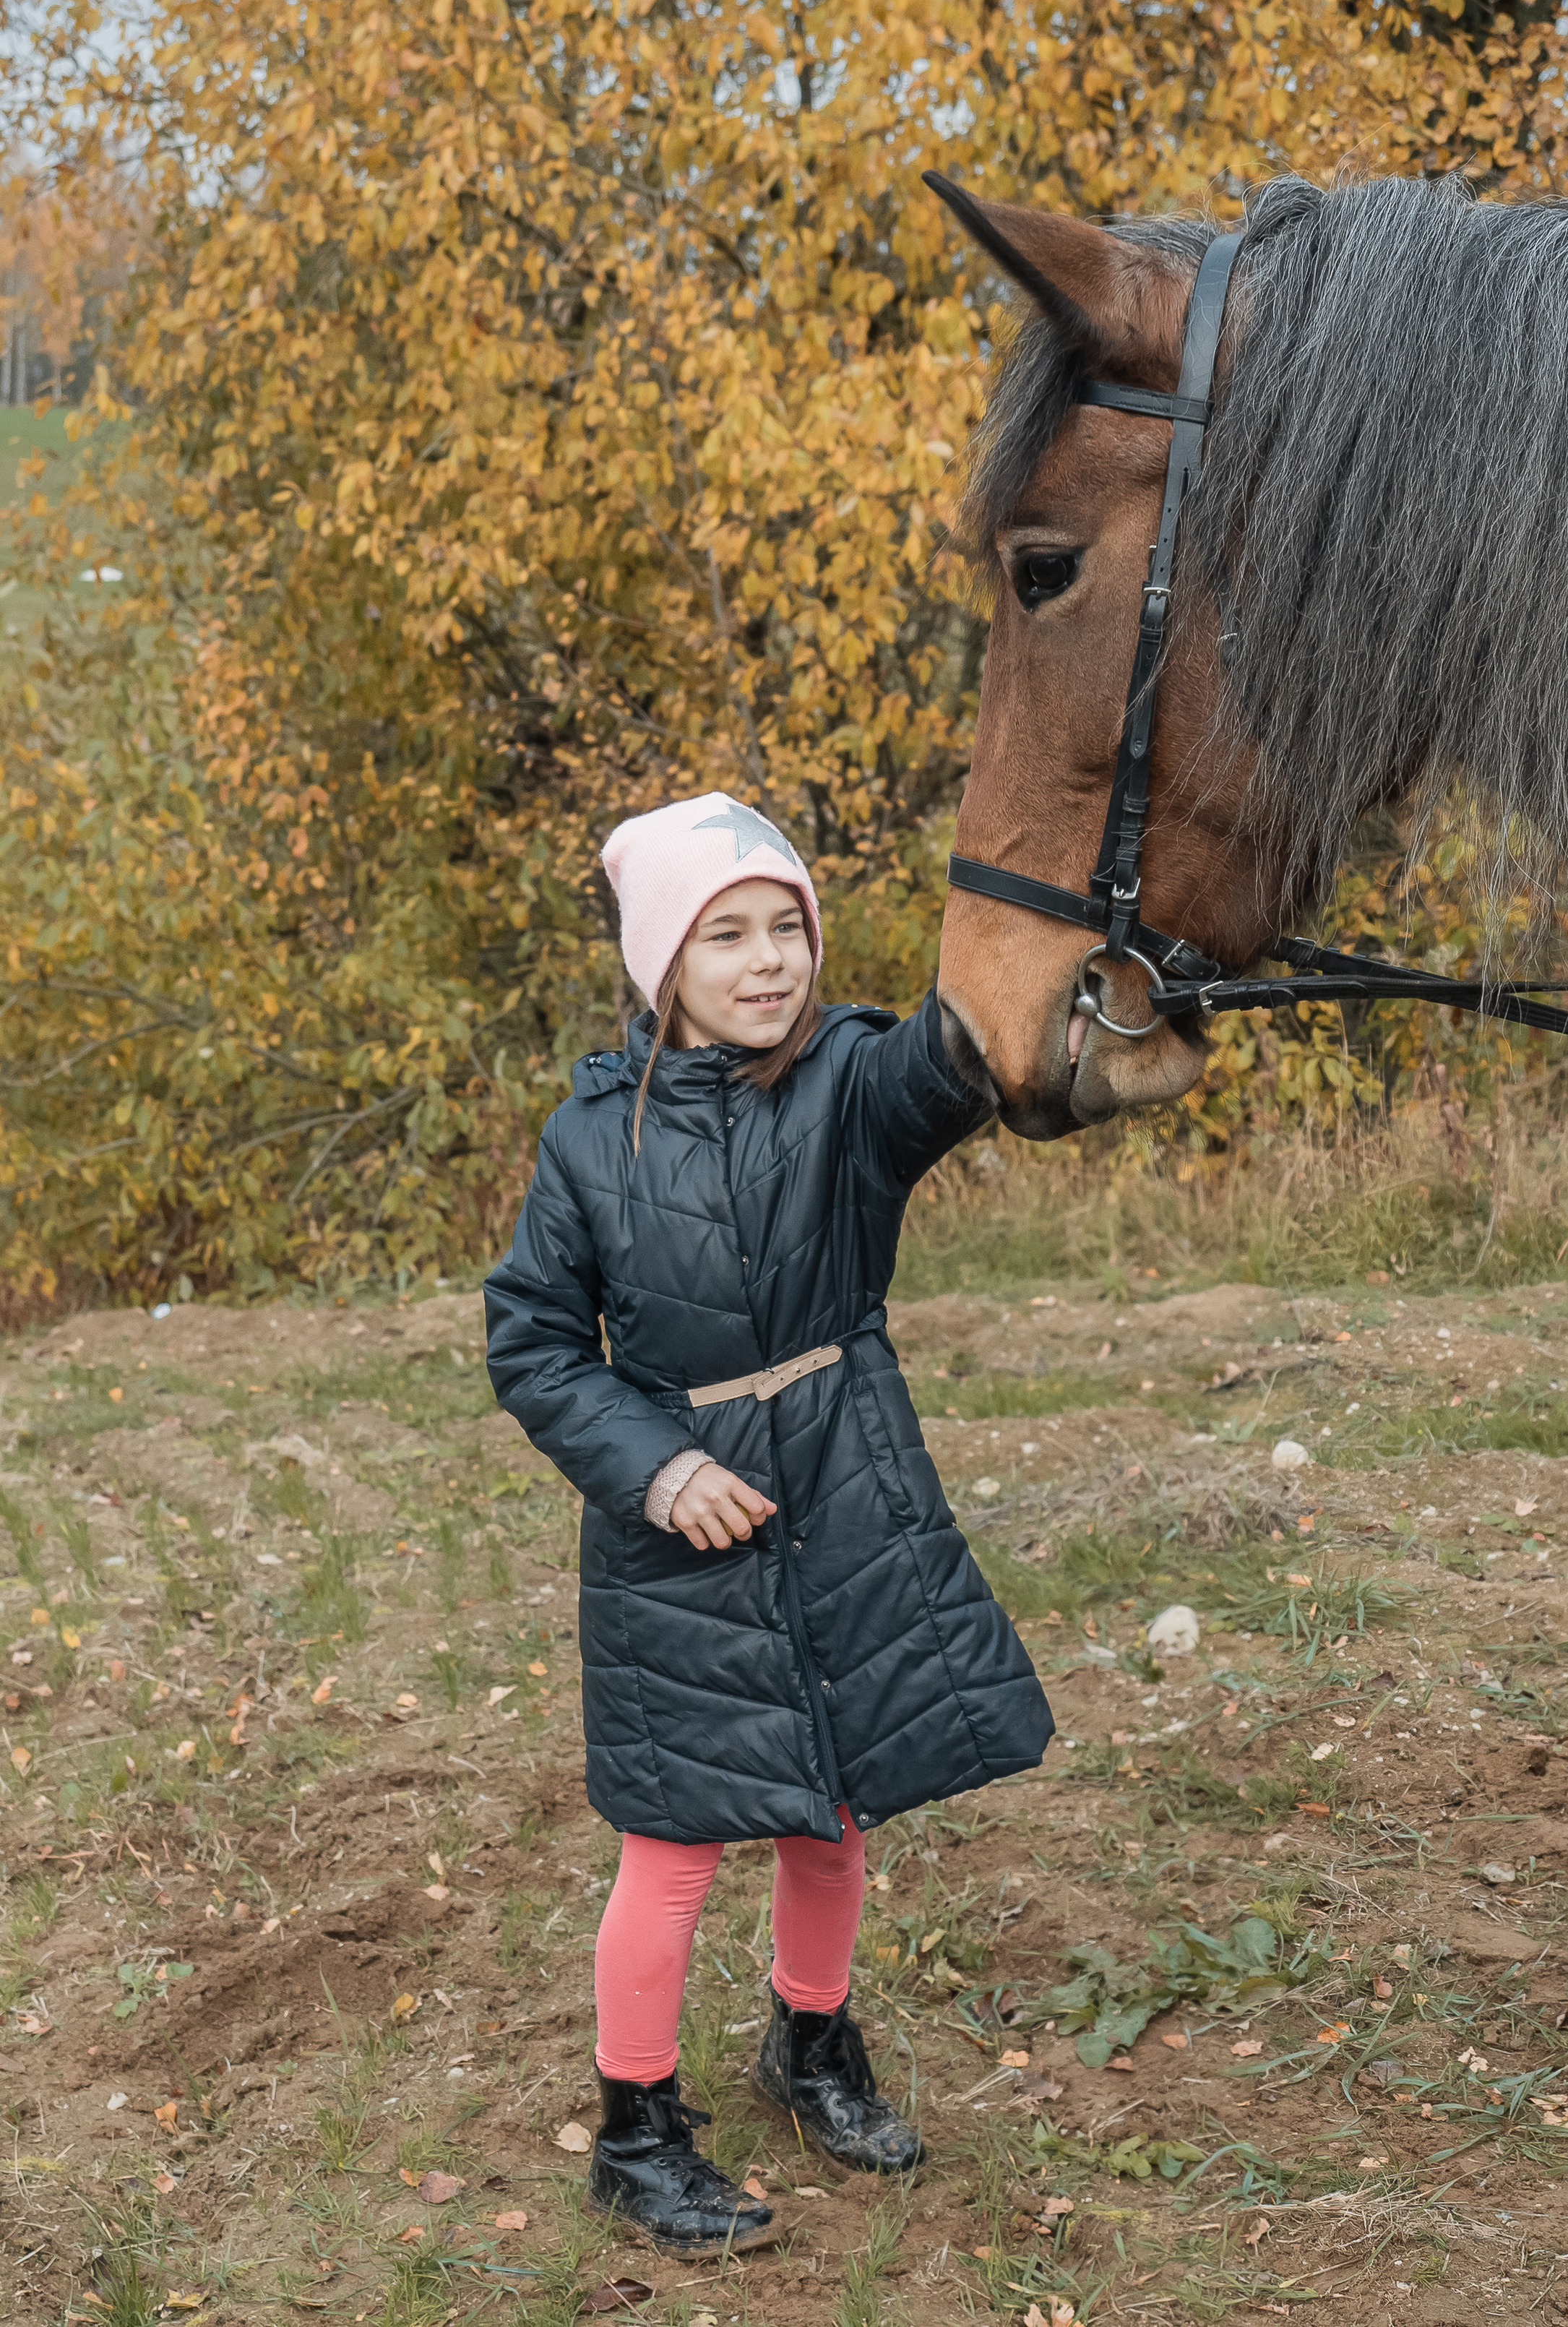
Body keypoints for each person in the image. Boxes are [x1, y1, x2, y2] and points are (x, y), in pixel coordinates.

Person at [483, 791, 1054, 2258]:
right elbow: (535, 1343)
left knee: (833, 1804)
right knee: (672, 1845)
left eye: (783, 927)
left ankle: (809, 2045)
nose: (764, 961)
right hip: (677, 1537)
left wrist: (1047, 928)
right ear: (659, 962)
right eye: (722, 934)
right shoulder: (589, 1140)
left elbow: (959, 1053)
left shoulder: (853, 1084)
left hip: (843, 1489)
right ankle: (635, 2126)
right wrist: (655, 1468)